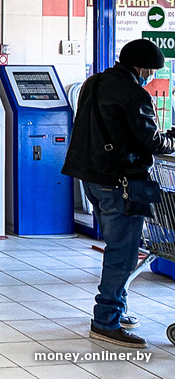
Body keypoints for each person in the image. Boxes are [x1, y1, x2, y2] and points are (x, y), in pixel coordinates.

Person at [64, 39, 175, 348]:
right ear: (140, 67)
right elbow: (150, 140)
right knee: (122, 253)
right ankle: (106, 321)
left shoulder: (93, 82)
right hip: (119, 182)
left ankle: (116, 310)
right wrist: (172, 141)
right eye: (151, 70)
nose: (151, 76)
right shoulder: (133, 93)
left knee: (117, 247)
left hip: (91, 177)